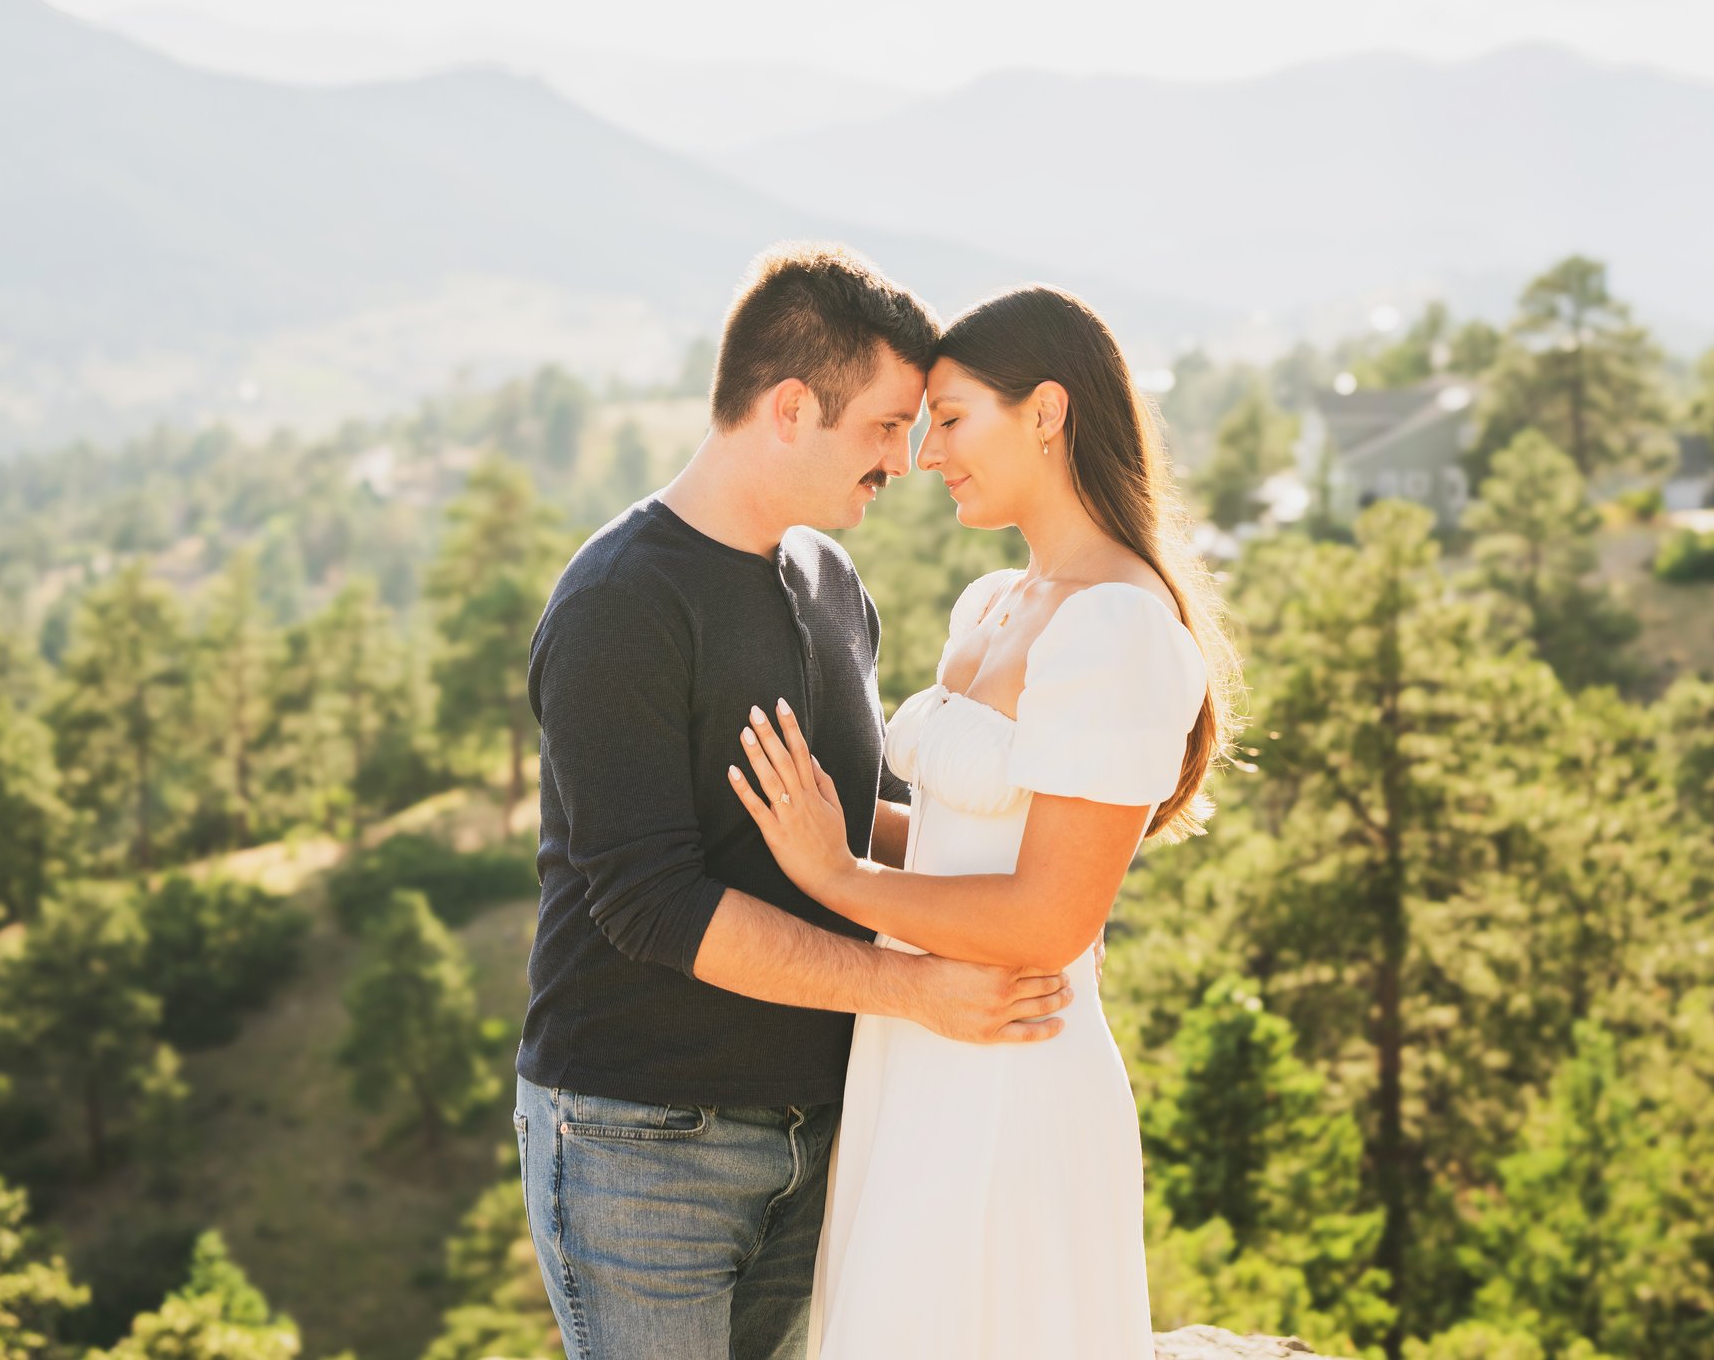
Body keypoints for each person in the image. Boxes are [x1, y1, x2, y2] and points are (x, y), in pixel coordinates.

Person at [514, 242, 1078, 1360]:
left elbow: (848, 820)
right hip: (644, 1140)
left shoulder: (827, 580)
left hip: (820, 1129)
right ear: (786, 408)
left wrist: (1038, 876)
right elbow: (650, 903)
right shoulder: (619, 604)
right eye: (881, 427)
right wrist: (914, 990)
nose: (905, 460)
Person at [731, 283, 1239, 1360]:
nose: (924, 454)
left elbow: (1050, 915)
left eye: (952, 420)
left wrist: (843, 880)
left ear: (1047, 412)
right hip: (914, 1046)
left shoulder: (1118, 627)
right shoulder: (991, 602)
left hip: (1012, 1061)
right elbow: (975, 844)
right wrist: (823, 826)